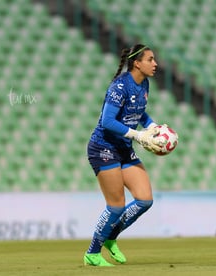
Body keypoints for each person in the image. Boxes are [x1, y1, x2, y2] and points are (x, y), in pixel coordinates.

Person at [84, 44, 163, 266]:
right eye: (150, 59)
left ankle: (110, 237)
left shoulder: (144, 83)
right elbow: (107, 122)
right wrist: (138, 136)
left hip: (123, 148)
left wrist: (152, 126)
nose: (155, 63)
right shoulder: (119, 86)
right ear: (137, 63)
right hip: (103, 147)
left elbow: (138, 111)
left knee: (145, 200)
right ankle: (92, 253)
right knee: (116, 206)